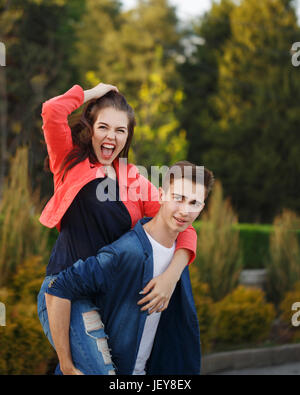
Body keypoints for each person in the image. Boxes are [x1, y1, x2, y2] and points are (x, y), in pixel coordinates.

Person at [37, 83, 198, 375]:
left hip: (113, 298)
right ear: (90, 129)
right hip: (65, 293)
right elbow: (52, 110)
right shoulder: (69, 162)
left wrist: (171, 277)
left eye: (120, 130)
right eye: (103, 127)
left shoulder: (134, 179)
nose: (111, 136)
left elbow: (182, 224)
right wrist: (94, 92)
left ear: (128, 136)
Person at [45, 161, 215, 375]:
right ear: (161, 195)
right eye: (178, 198)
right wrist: (66, 364)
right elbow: (58, 287)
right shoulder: (126, 251)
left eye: (194, 203)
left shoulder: (179, 256)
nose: (184, 211)